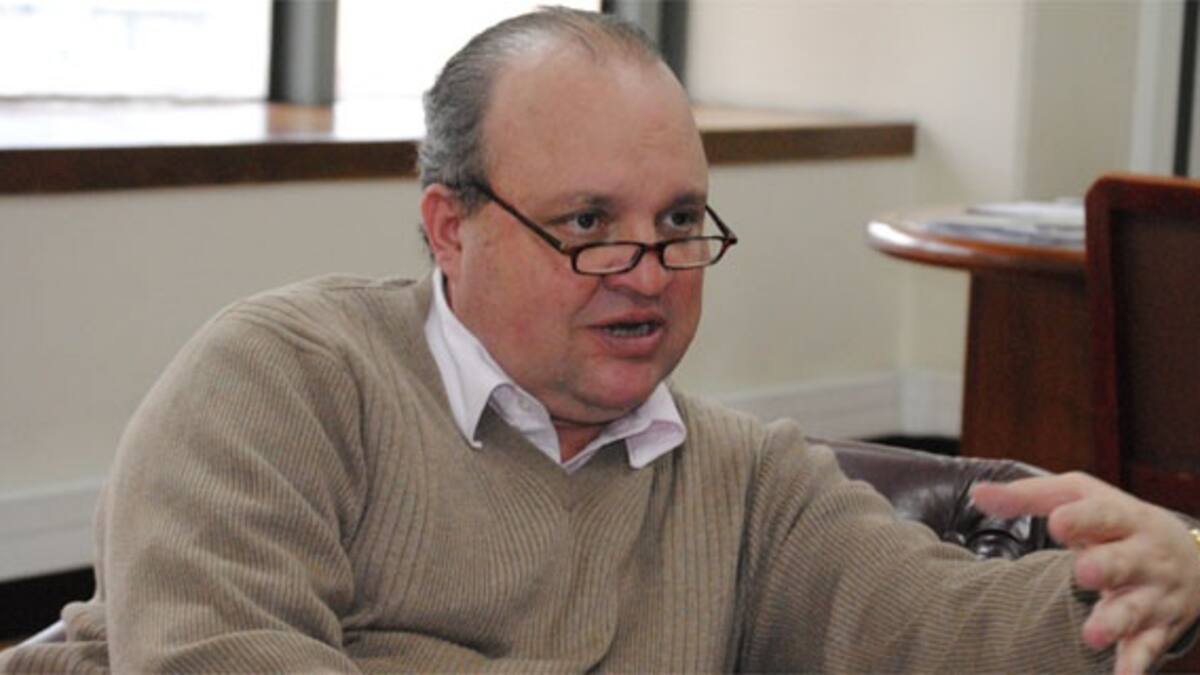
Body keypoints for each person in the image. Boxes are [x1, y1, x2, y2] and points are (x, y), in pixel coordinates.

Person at [3, 7, 1199, 674]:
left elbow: (934, 629)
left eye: (678, 221)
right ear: (450, 226)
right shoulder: (285, 382)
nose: (648, 270)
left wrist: (1162, 580)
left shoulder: (743, 485)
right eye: (587, 224)